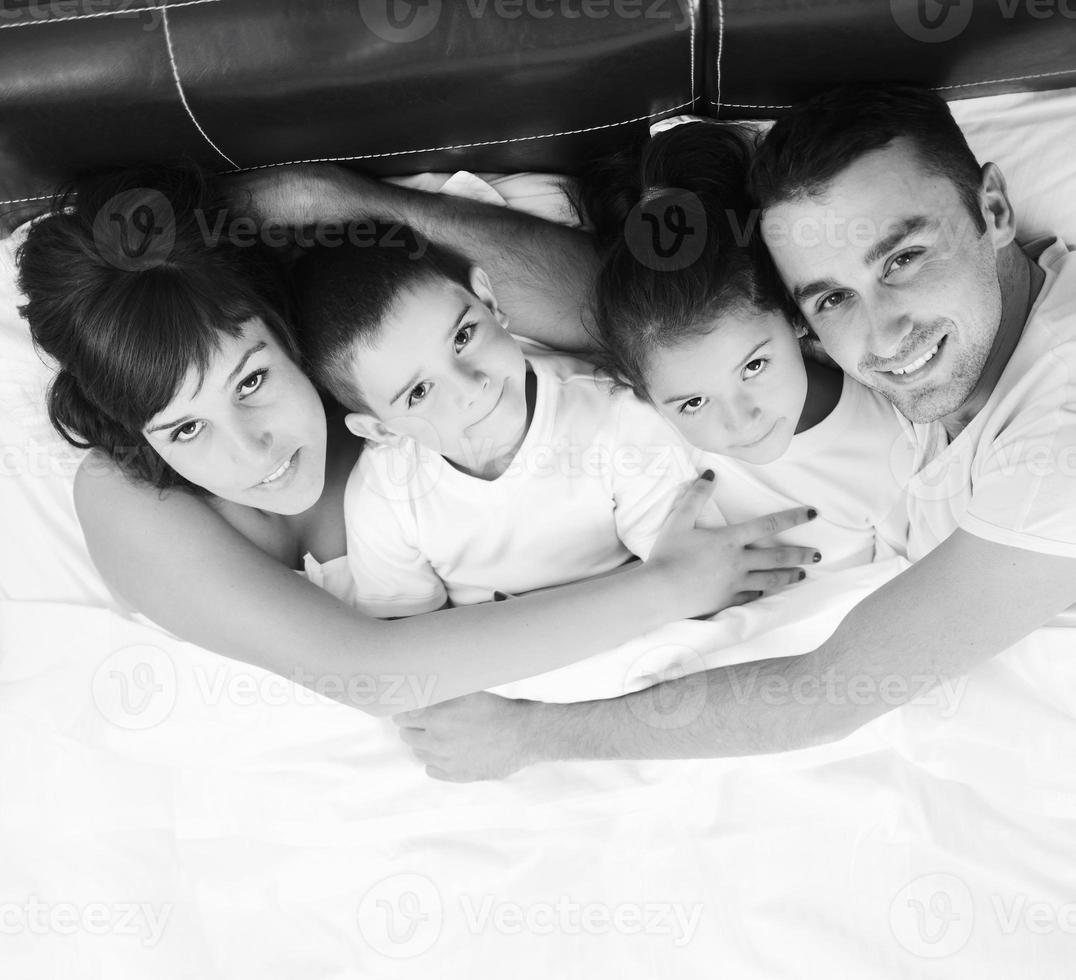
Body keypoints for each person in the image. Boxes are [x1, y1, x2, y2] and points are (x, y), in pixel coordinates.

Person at [381, 83, 1076, 780]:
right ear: (800, 316)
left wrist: (529, 735)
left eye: (904, 258)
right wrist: (363, 208)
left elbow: (829, 694)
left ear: (993, 208)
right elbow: (648, 320)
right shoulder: (906, 350)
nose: (882, 334)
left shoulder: (1057, 432)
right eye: (833, 296)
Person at [15, 163, 818, 717]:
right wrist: (670, 587)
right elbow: (374, 674)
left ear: (286, 332)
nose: (254, 453)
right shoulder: (127, 500)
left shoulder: (385, 378)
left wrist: (363, 204)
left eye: (253, 381)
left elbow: (620, 321)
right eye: (186, 428)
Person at [291, 233, 724, 617]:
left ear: (490, 303)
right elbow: (414, 639)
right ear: (382, 430)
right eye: (418, 393)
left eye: (463, 337)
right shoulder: (386, 497)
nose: (472, 386)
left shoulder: (611, 412)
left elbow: (686, 578)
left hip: (634, 624)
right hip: (496, 662)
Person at [589, 120, 913, 570]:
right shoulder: (640, 436)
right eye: (695, 402)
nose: (742, 422)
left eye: (755, 367)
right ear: (641, 390)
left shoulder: (893, 444)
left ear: (794, 314)